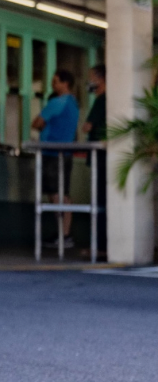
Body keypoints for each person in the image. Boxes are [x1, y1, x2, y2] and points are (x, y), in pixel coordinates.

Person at [32, 69, 81, 247]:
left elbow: (36, 122)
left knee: (57, 195)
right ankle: (63, 233)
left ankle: (64, 234)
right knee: (61, 193)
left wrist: (43, 125)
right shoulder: (73, 103)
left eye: (55, 82)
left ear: (65, 83)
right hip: (65, 153)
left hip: (53, 153)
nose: (53, 86)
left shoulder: (58, 102)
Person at [83, 64, 107, 253]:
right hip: (105, 156)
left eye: (92, 78)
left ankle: (99, 246)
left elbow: (87, 126)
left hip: (100, 156)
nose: (90, 82)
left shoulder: (101, 100)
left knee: (99, 200)